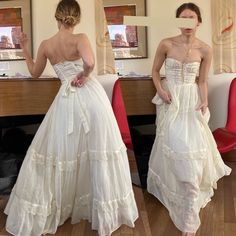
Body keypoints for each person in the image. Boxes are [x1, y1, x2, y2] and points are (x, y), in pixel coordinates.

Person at [4, 0, 138, 235]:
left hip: (66, 102)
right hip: (90, 98)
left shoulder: (46, 44)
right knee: (98, 149)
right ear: (76, 18)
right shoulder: (80, 38)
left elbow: (34, 73)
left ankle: (61, 204)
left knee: (64, 151)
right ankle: (100, 207)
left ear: (57, 17)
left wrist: (24, 48)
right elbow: (89, 63)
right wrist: (84, 76)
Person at [146, 2, 231, 236]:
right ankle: (178, 188)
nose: (187, 23)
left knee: (193, 148)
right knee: (174, 144)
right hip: (170, 100)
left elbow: (202, 81)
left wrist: (205, 101)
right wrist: (160, 91)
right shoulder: (166, 44)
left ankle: (190, 199)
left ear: (198, 22)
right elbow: (154, 71)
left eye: (191, 18)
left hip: (191, 101)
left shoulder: (205, 49)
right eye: (183, 18)